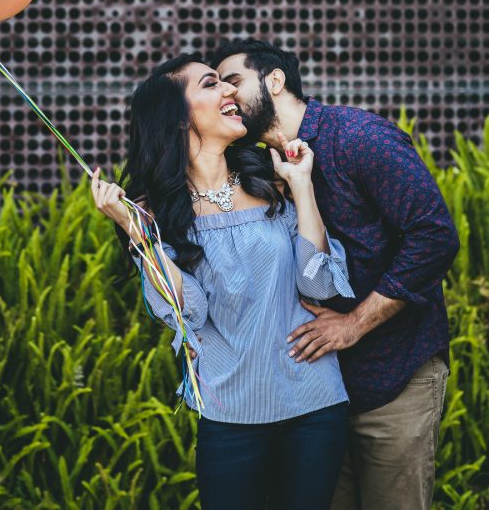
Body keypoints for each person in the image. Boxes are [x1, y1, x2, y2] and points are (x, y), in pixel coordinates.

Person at [92, 52, 357, 510]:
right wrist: (141, 236)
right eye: (212, 84)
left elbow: (317, 286)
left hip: (314, 404)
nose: (231, 91)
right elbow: (187, 310)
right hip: (230, 414)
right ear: (177, 118)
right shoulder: (152, 212)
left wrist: (301, 184)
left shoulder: (268, 179)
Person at [210, 38, 461, 510]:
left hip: (394, 375)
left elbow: (434, 236)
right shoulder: (250, 169)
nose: (226, 94)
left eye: (234, 81)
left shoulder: (359, 137)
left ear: (275, 81)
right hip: (312, 398)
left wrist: (353, 323)